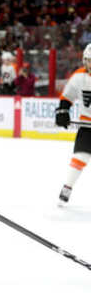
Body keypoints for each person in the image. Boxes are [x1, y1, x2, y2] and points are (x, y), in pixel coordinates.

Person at [55, 43, 91, 206]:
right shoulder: (78, 76)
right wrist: (63, 111)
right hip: (87, 126)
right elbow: (67, 97)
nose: (90, 64)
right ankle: (67, 187)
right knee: (80, 157)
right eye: (88, 60)